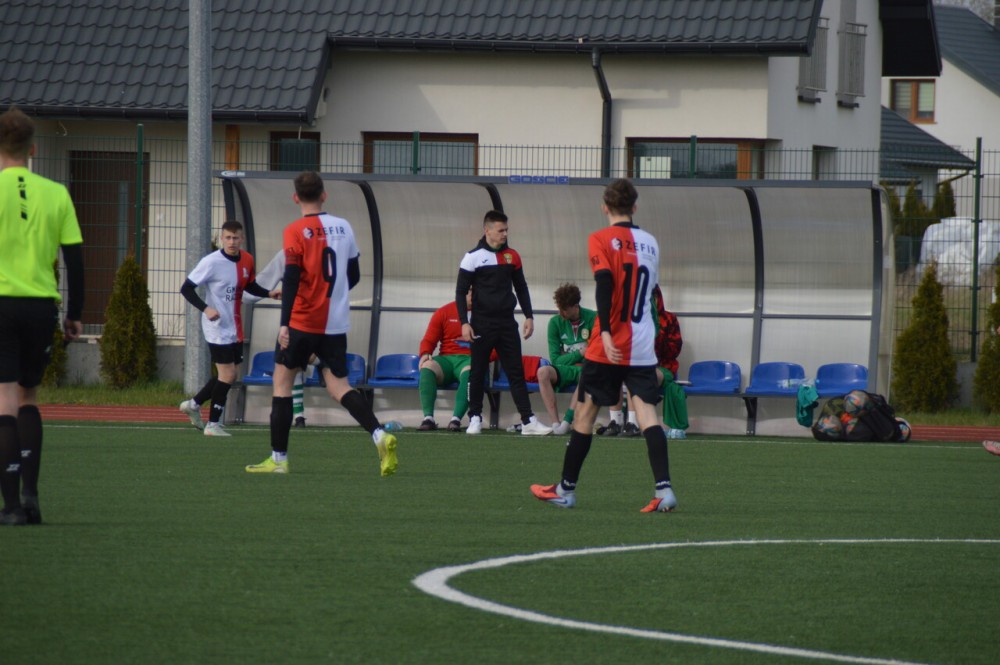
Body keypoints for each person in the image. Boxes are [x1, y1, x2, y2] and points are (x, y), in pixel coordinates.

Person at [531, 178, 677, 512]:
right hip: (642, 342)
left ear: (604, 207)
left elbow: (605, 284)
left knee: (585, 413)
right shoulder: (651, 243)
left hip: (610, 343)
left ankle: (566, 490)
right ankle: (664, 489)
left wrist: (607, 332)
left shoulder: (600, 238)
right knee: (647, 414)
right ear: (634, 207)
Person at [246, 171, 399, 475]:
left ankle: (278, 459)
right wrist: (334, 296)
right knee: (340, 386)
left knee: (282, 383)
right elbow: (353, 275)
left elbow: (291, 278)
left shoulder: (294, 230)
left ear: (295, 198)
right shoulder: (344, 226)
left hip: (302, 321)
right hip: (335, 324)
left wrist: (284, 323)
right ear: (324, 195)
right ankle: (379, 434)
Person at [0, 105, 84, 526]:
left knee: (3, 399)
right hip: (40, 307)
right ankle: (31, 499)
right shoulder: (56, 193)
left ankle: (10, 507)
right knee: (29, 396)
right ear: (32, 149)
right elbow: (75, 258)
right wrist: (75, 314)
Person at [455, 210, 551, 436]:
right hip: (481, 324)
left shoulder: (512, 256)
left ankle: (528, 421)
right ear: (487, 230)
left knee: (515, 372)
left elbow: (521, 287)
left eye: (506, 230)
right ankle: (475, 417)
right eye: (501, 230)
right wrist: (464, 323)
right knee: (477, 372)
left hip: (507, 323)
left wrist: (529, 316)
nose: (505, 234)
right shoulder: (472, 257)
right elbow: (460, 292)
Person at [179, 220, 277, 436]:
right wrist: (206, 309)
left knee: (230, 375)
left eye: (235, 238)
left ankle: (194, 404)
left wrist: (269, 293)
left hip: (235, 326)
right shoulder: (211, 262)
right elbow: (186, 288)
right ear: (222, 239)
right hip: (216, 327)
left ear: (242, 239)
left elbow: (249, 285)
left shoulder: (247, 259)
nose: (232, 242)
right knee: (228, 374)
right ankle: (213, 424)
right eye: (228, 238)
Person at [243, 249, 313, 428]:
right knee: (291, 364)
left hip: (313, 320)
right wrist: (239, 294)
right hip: (301, 320)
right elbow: (263, 282)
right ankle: (298, 416)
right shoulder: (287, 254)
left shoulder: (323, 251)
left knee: (296, 364)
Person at [417, 290, 474, 432]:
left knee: (471, 371)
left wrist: (483, 358)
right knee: (427, 366)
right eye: (469, 291)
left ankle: (456, 420)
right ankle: (428, 418)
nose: (472, 294)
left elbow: (495, 345)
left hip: (470, 359)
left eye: (476, 291)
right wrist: (425, 353)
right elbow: (429, 339)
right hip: (446, 359)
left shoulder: (487, 314)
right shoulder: (443, 312)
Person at [544, 283, 596, 435]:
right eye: (559, 308)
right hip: (565, 370)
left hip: (585, 370)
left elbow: (593, 355)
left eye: (564, 309)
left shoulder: (593, 318)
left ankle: (567, 422)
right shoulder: (555, 323)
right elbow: (555, 360)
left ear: (575, 307)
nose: (561, 312)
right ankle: (555, 423)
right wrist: (580, 353)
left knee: (587, 373)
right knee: (543, 372)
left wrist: (568, 357)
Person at [651, 284, 689, 439]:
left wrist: (658, 338)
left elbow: (675, 350)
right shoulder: (636, 321)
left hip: (664, 367)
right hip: (639, 366)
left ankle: (644, 423)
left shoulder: (669, 319)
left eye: (653, 297)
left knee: (646, 376)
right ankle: (623, 422)